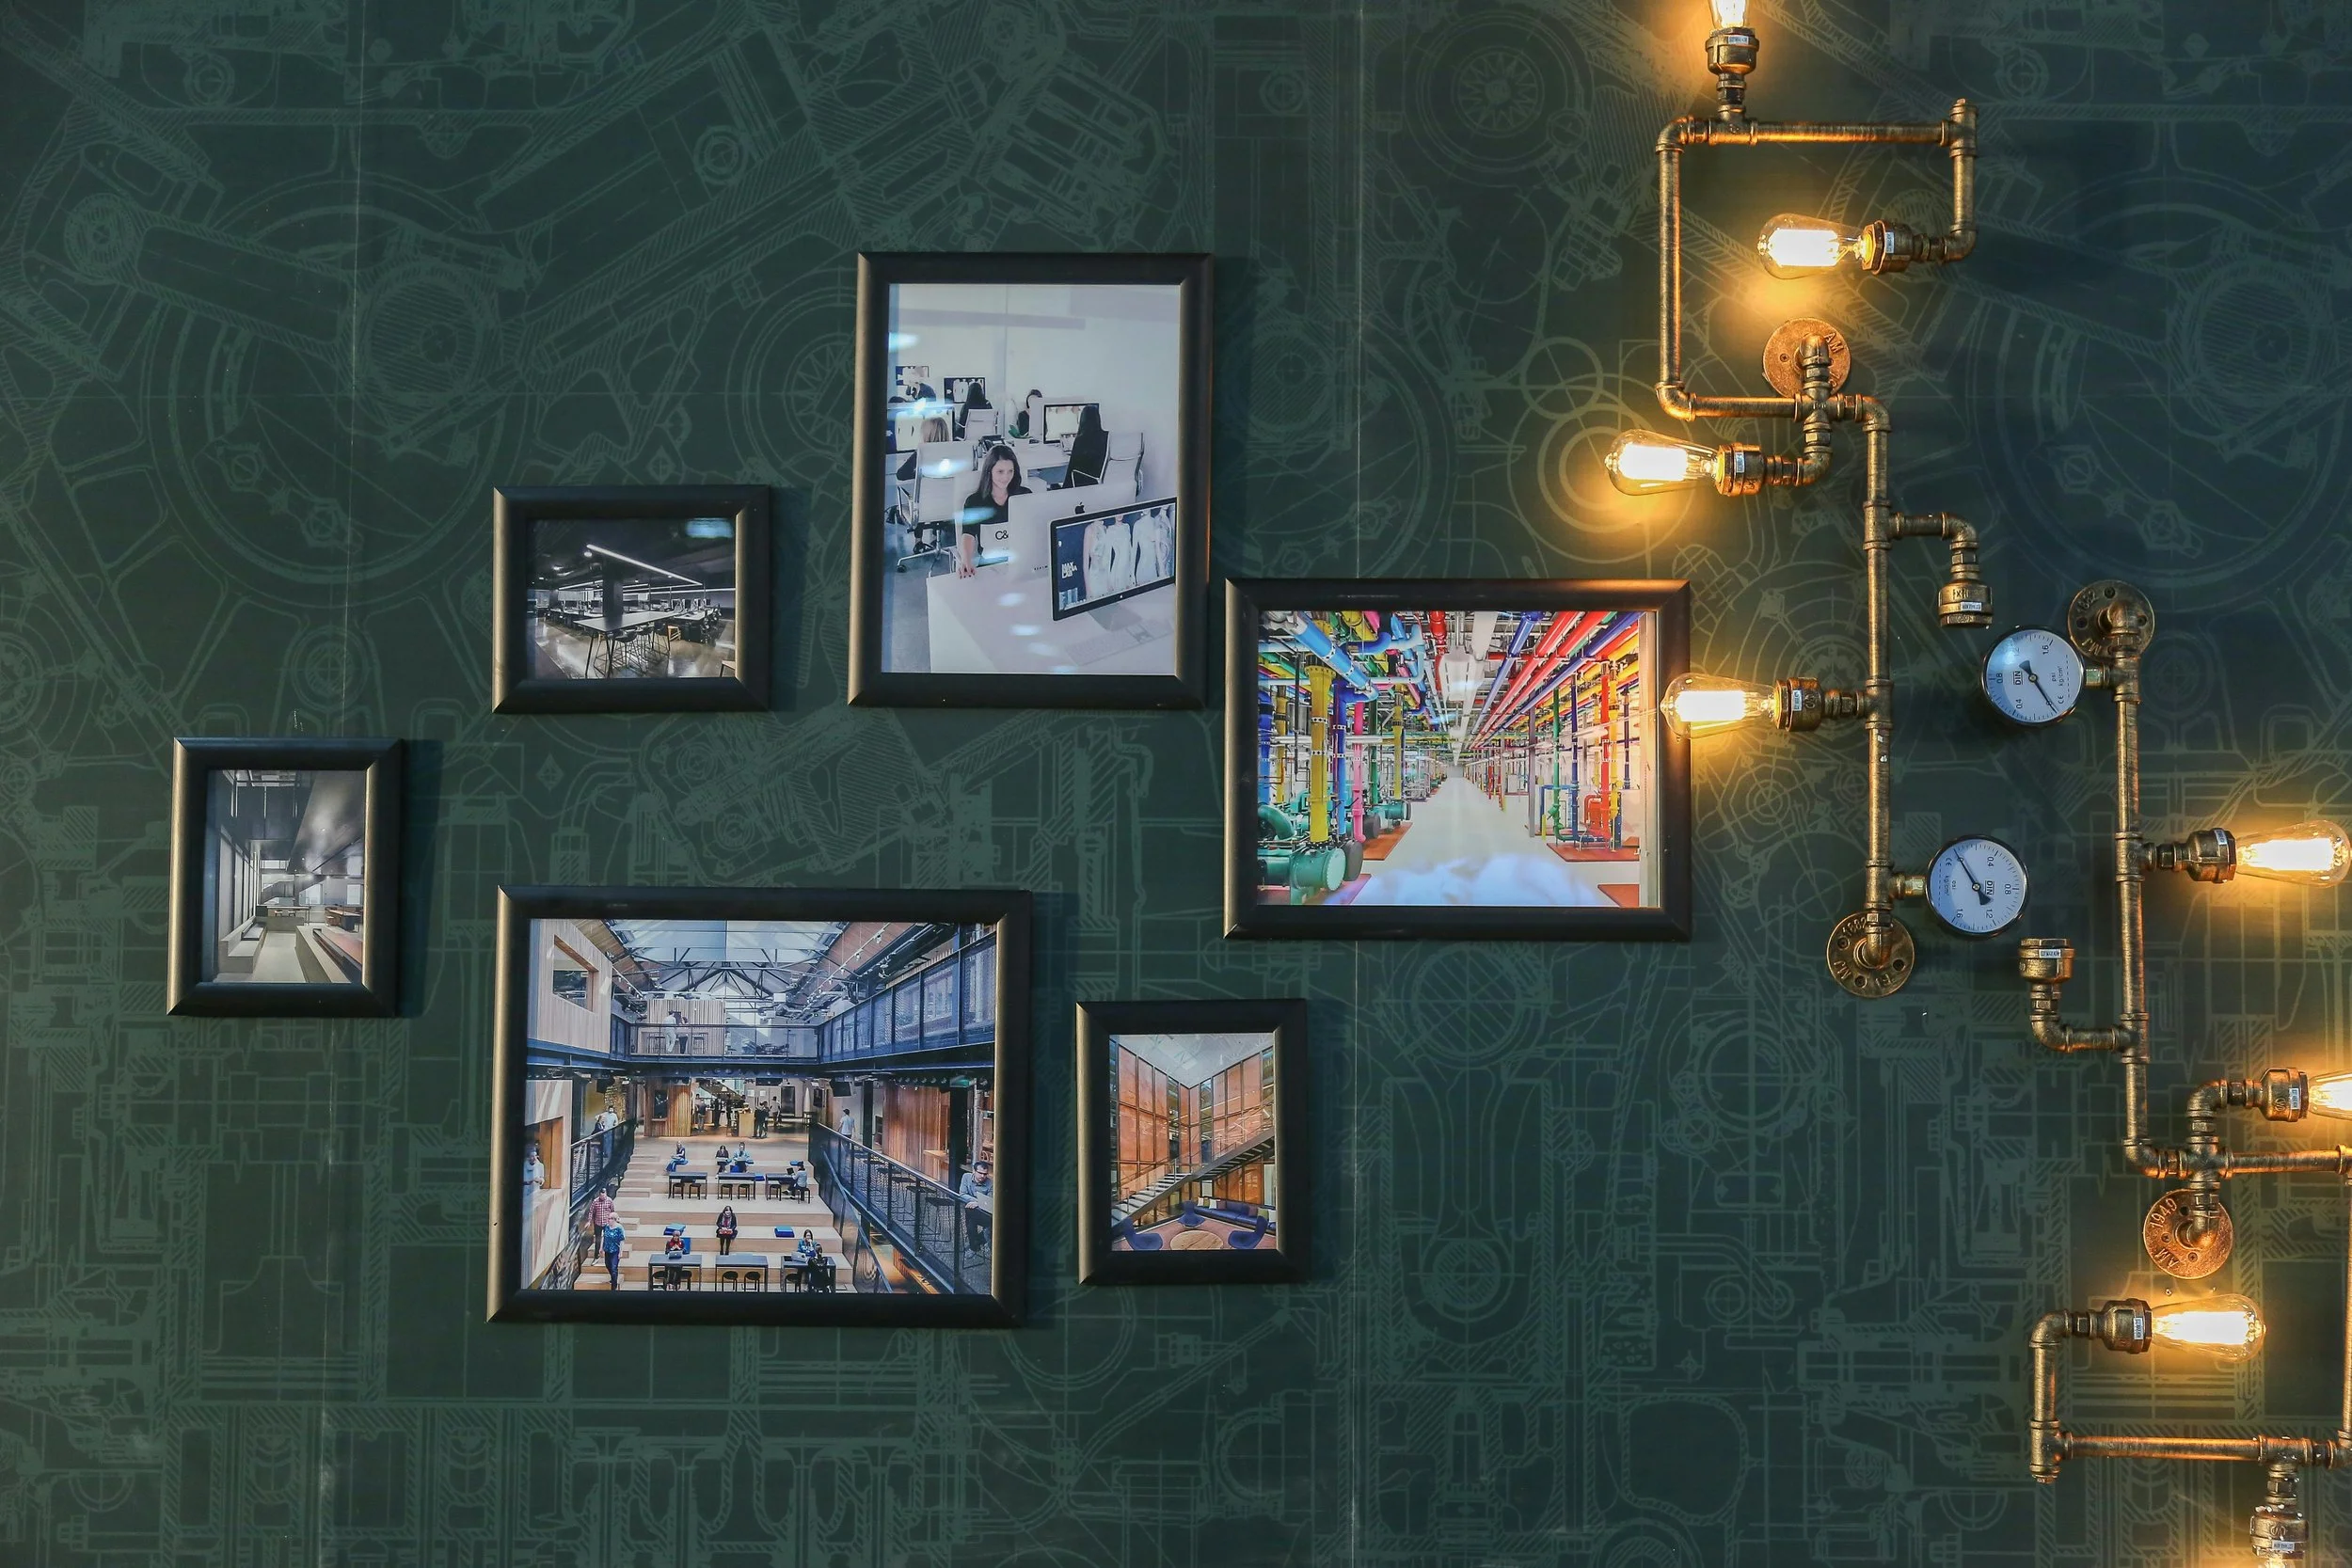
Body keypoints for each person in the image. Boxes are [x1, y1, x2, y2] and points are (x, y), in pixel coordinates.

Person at [955, 448, 1029, 577]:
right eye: (1000, 472)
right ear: (989, 471)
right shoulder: (975, 502)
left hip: (1021, 564)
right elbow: (968, 534)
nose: (1006, 477)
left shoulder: (1024, 496)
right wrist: (966, 560)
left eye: (1010, 471)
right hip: (990, 567)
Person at [1061, 404, 1108, 489]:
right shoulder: (1106, 437)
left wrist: (1064, 490)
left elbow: (1071, 468)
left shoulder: (1081, 440)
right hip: (1100, 484)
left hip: (1083, 484)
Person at [958, 1160, 993, 1251]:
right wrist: (977, 1201)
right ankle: (977, 1242)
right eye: (980, 1173)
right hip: (971, 1209)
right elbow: (962, 1194)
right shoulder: (966, 1177)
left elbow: (989, 1201)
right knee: (970, 1214)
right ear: (973, 1171)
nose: (982, 1176)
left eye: (985, 1174)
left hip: (984, 1213)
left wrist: (977, 1204)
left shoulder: (990, 1183)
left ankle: (974, 1246)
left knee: (970, 1216)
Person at [600, 1219, 625, 1290]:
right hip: (607, 1250)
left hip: (615, 1251)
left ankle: (614, 1286)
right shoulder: (606, 1227)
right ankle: (613, 1278)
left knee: (614, 1268)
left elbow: (621, 1241)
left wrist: (621, 1252)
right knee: (608, 1265)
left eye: (610, 1219)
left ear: (614, 1220)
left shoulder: (619, 1228)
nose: (608, 1220)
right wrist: (601, 1247)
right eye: (608, 1218)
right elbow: (603, 1237)